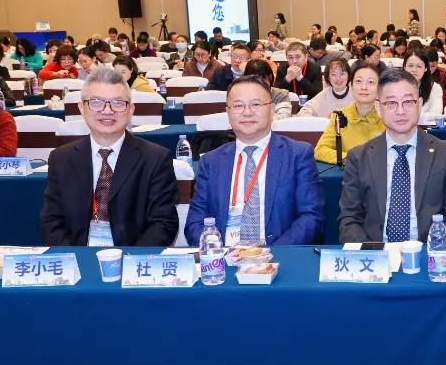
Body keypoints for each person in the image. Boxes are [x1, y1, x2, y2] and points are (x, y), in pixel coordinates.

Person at [40, 66, 180, 246]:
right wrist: (76, 258)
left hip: (132, 259)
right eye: (96, 102)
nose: (107, 110)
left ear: (131, 110)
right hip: (78, 258)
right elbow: (52, 222)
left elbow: (163, 224)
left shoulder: (155, 158)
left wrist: (127, 259)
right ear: (82, 108)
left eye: (117, 103)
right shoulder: (61, 158)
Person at [184, 74, 323, 247]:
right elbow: (194, 223)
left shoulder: (297, 155)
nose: (247, 112)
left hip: (277, 254)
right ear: (228, 112)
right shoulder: (211, 162)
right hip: (224, 255)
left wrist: (271, 254)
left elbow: (311, 217)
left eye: (256, 104)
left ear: (271, 109)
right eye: (238, 106)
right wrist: (218, 252)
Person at [337, 68, 446, 243]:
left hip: (428, 251)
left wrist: (431, 250)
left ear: (419, 104)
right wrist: (375, 253)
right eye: (391, 103)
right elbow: (349, 220)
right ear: (378, 108)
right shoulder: (359, 157)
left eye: (408, 102)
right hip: (376, 253)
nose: (400, 111)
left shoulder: (445, 153)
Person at [314, 61, 383, 163]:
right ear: (351, 86)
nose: (364, 87)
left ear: (380, 88)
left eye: (371, 82)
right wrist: (352, 159)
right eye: (358, 81)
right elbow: (320, 150)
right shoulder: (340, 116)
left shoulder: (389, 115)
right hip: (350, 171)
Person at [401, 48, 444, 116]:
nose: (414, 70)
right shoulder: (395, 87)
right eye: (410, 66)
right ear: (404, 67)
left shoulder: (435, 88)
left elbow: (436, 114)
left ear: (426, 68)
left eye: (419, 66)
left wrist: (412, 115)